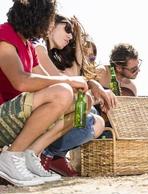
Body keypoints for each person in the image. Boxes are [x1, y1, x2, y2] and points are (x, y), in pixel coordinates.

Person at [0, 0, 89, 186]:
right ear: (36, 16)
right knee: (63, 92)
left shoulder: (29, 47)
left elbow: (47, 83)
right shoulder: (4, 34)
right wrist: (68, 81)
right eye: (49, 19)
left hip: (13, 115)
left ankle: (30, 154)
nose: (49, 25)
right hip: (3, 114)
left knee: (82, 100)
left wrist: (84, 86)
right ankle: (11, 156)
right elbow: (21, 81)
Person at [33, 14, 115, 176]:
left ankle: (54, 156)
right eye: (67, 29)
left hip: (45, 111)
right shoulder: (39, 48)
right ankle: (47, 154)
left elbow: (73, 75)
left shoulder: (51, 53)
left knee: (91, 113)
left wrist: (77, 39)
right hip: (39, 113)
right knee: (88, 110)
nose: (70, 35)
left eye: (73, 33)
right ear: (50, 26)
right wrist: (92, 83)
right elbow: (60, 81)